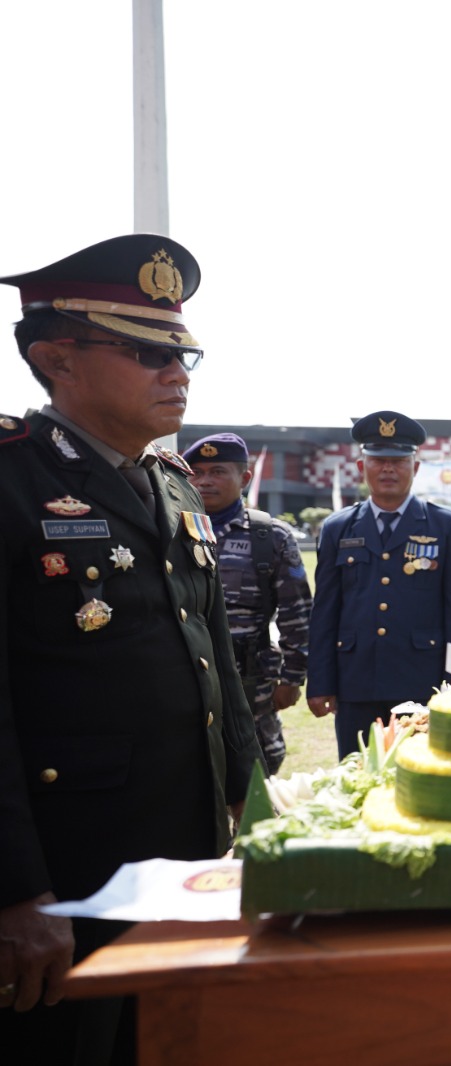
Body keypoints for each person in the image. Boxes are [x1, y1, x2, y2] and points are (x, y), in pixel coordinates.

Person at [0, 235, 263, 1063]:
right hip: (66, 867)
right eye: (149, 353)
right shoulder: (12, 477)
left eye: (183, 352)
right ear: (57, 358)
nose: (177, 372)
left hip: (181, 851)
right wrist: (15, 893)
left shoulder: (176, 482)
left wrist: (252, 810)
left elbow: (213, 653)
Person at [307, 411, 451, 757]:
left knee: (421, 777)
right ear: (360, 467)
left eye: (398, 461)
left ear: (414, 469)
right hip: (355, 682)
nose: (388, 469)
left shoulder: (445, 525)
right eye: (378, 460)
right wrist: (321, 682)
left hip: (422, 682)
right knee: (356, 773)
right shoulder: (338, 528)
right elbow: (324, 612)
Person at [182, 432, 312, 775]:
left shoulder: (269, 536)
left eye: (218, 471)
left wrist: (292, 678)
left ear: (245, 477)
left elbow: (296, 613)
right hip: (183, 679)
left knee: (257, 768)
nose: (205, 481)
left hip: (250, 681)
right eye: (197, 472)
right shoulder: (169, 531)